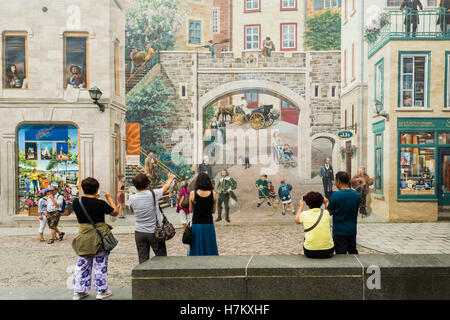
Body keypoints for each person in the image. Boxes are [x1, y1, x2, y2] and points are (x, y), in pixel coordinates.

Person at [71, 177, 118, 300]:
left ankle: (79, 291)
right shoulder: (100, 203)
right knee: (100, 263)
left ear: (82, 189)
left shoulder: (76, 202)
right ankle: (101, 291)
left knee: (82, 263)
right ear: (97, 189)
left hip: (83, 236)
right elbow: (115, 212)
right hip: (99, 236)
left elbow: (87, 204)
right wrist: (109, 198)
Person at [129, 173, 174, 264]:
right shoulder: (153, 193)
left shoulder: (131, 198)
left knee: (143, 260)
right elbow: (166, 187)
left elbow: (132, 211)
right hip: (155, 232)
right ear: (147, 183)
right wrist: (170, 179)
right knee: (161, 258)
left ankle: (144, 277)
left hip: (139, 232)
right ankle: (161, 276)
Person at [326, 172, 361, 255]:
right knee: (353, 252)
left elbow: (329, 212)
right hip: (352, 230)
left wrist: (327, 202)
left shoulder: (335, 195)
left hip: (339, 231)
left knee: (341, 254)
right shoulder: (356, 195)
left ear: (338, 181)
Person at [295, 192, 334, 259]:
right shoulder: (326, 213)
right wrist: (326, 201)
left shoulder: (304, 214)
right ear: (321, 203)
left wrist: (301, 206)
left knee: (306, 238)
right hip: (328, 251)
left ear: (307, 204)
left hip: (310, 252)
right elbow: (328, 206)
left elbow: (297, 220)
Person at [188, 173, 219, 256]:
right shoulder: (214, 194)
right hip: (208, 224)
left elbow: (190, 210)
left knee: (197, 247)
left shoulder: (192, 194)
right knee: (209, 246)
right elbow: (213, 211)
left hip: (197, 224)